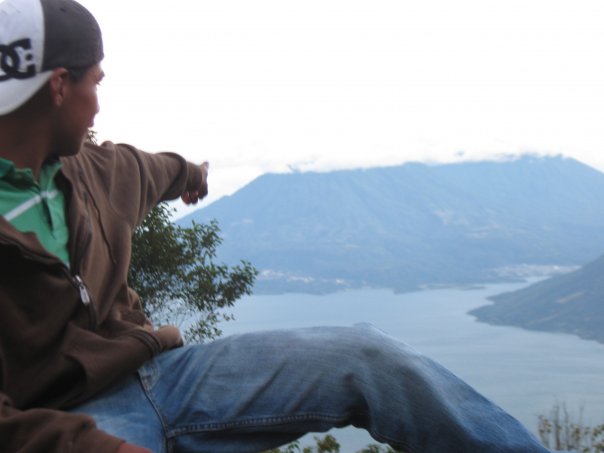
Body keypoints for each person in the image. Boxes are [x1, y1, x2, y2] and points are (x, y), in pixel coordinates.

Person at [0, 1, 572, 452]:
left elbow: (161, 170)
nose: (99, 105)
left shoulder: (95, 172)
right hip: (62, 423)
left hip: (166, 374)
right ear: (59, 85)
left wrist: (195, 176)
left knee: (367, 355)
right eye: (96, 83)